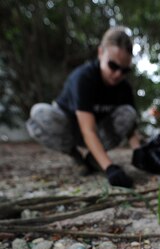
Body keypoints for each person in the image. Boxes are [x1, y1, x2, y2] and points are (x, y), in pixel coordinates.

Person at [26, 26, 142, 188]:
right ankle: (76, 154)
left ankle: (94, 159)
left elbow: (131, 129)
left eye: (125, 70)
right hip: (72, 129)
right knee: (38, 113)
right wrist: (110, 168)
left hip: (97, 131)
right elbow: (88, 130)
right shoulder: (84, 78)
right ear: (101, 53)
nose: (118, 74)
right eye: (113, 66)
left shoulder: (124, 88)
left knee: (129, 114)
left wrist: (140, 154)